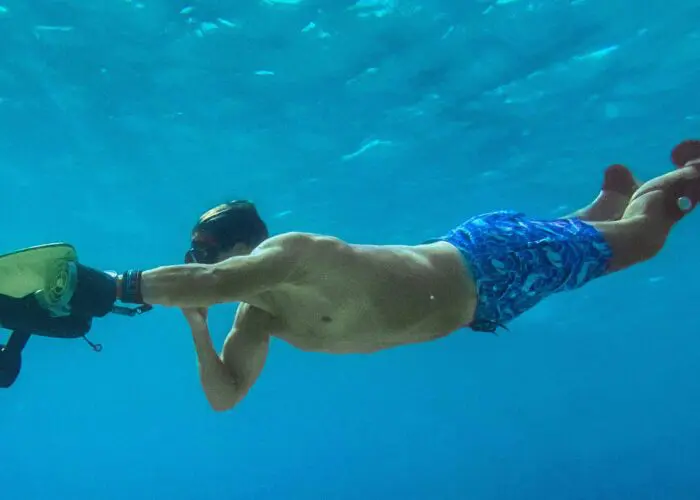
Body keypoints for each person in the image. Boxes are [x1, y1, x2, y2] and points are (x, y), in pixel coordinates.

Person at [57, 139, 700, 411]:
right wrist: (196, 330)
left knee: (642, 244)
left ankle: (682, 181)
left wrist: (115, 285)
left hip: (486, 259)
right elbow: (225, 397)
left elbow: (213, 284)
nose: (195, 264)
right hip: (485, 305)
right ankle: (604, 206)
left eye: (203, 249)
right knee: (581, 247)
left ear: (244, 244)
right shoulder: (261, 318)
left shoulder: (292, 251)